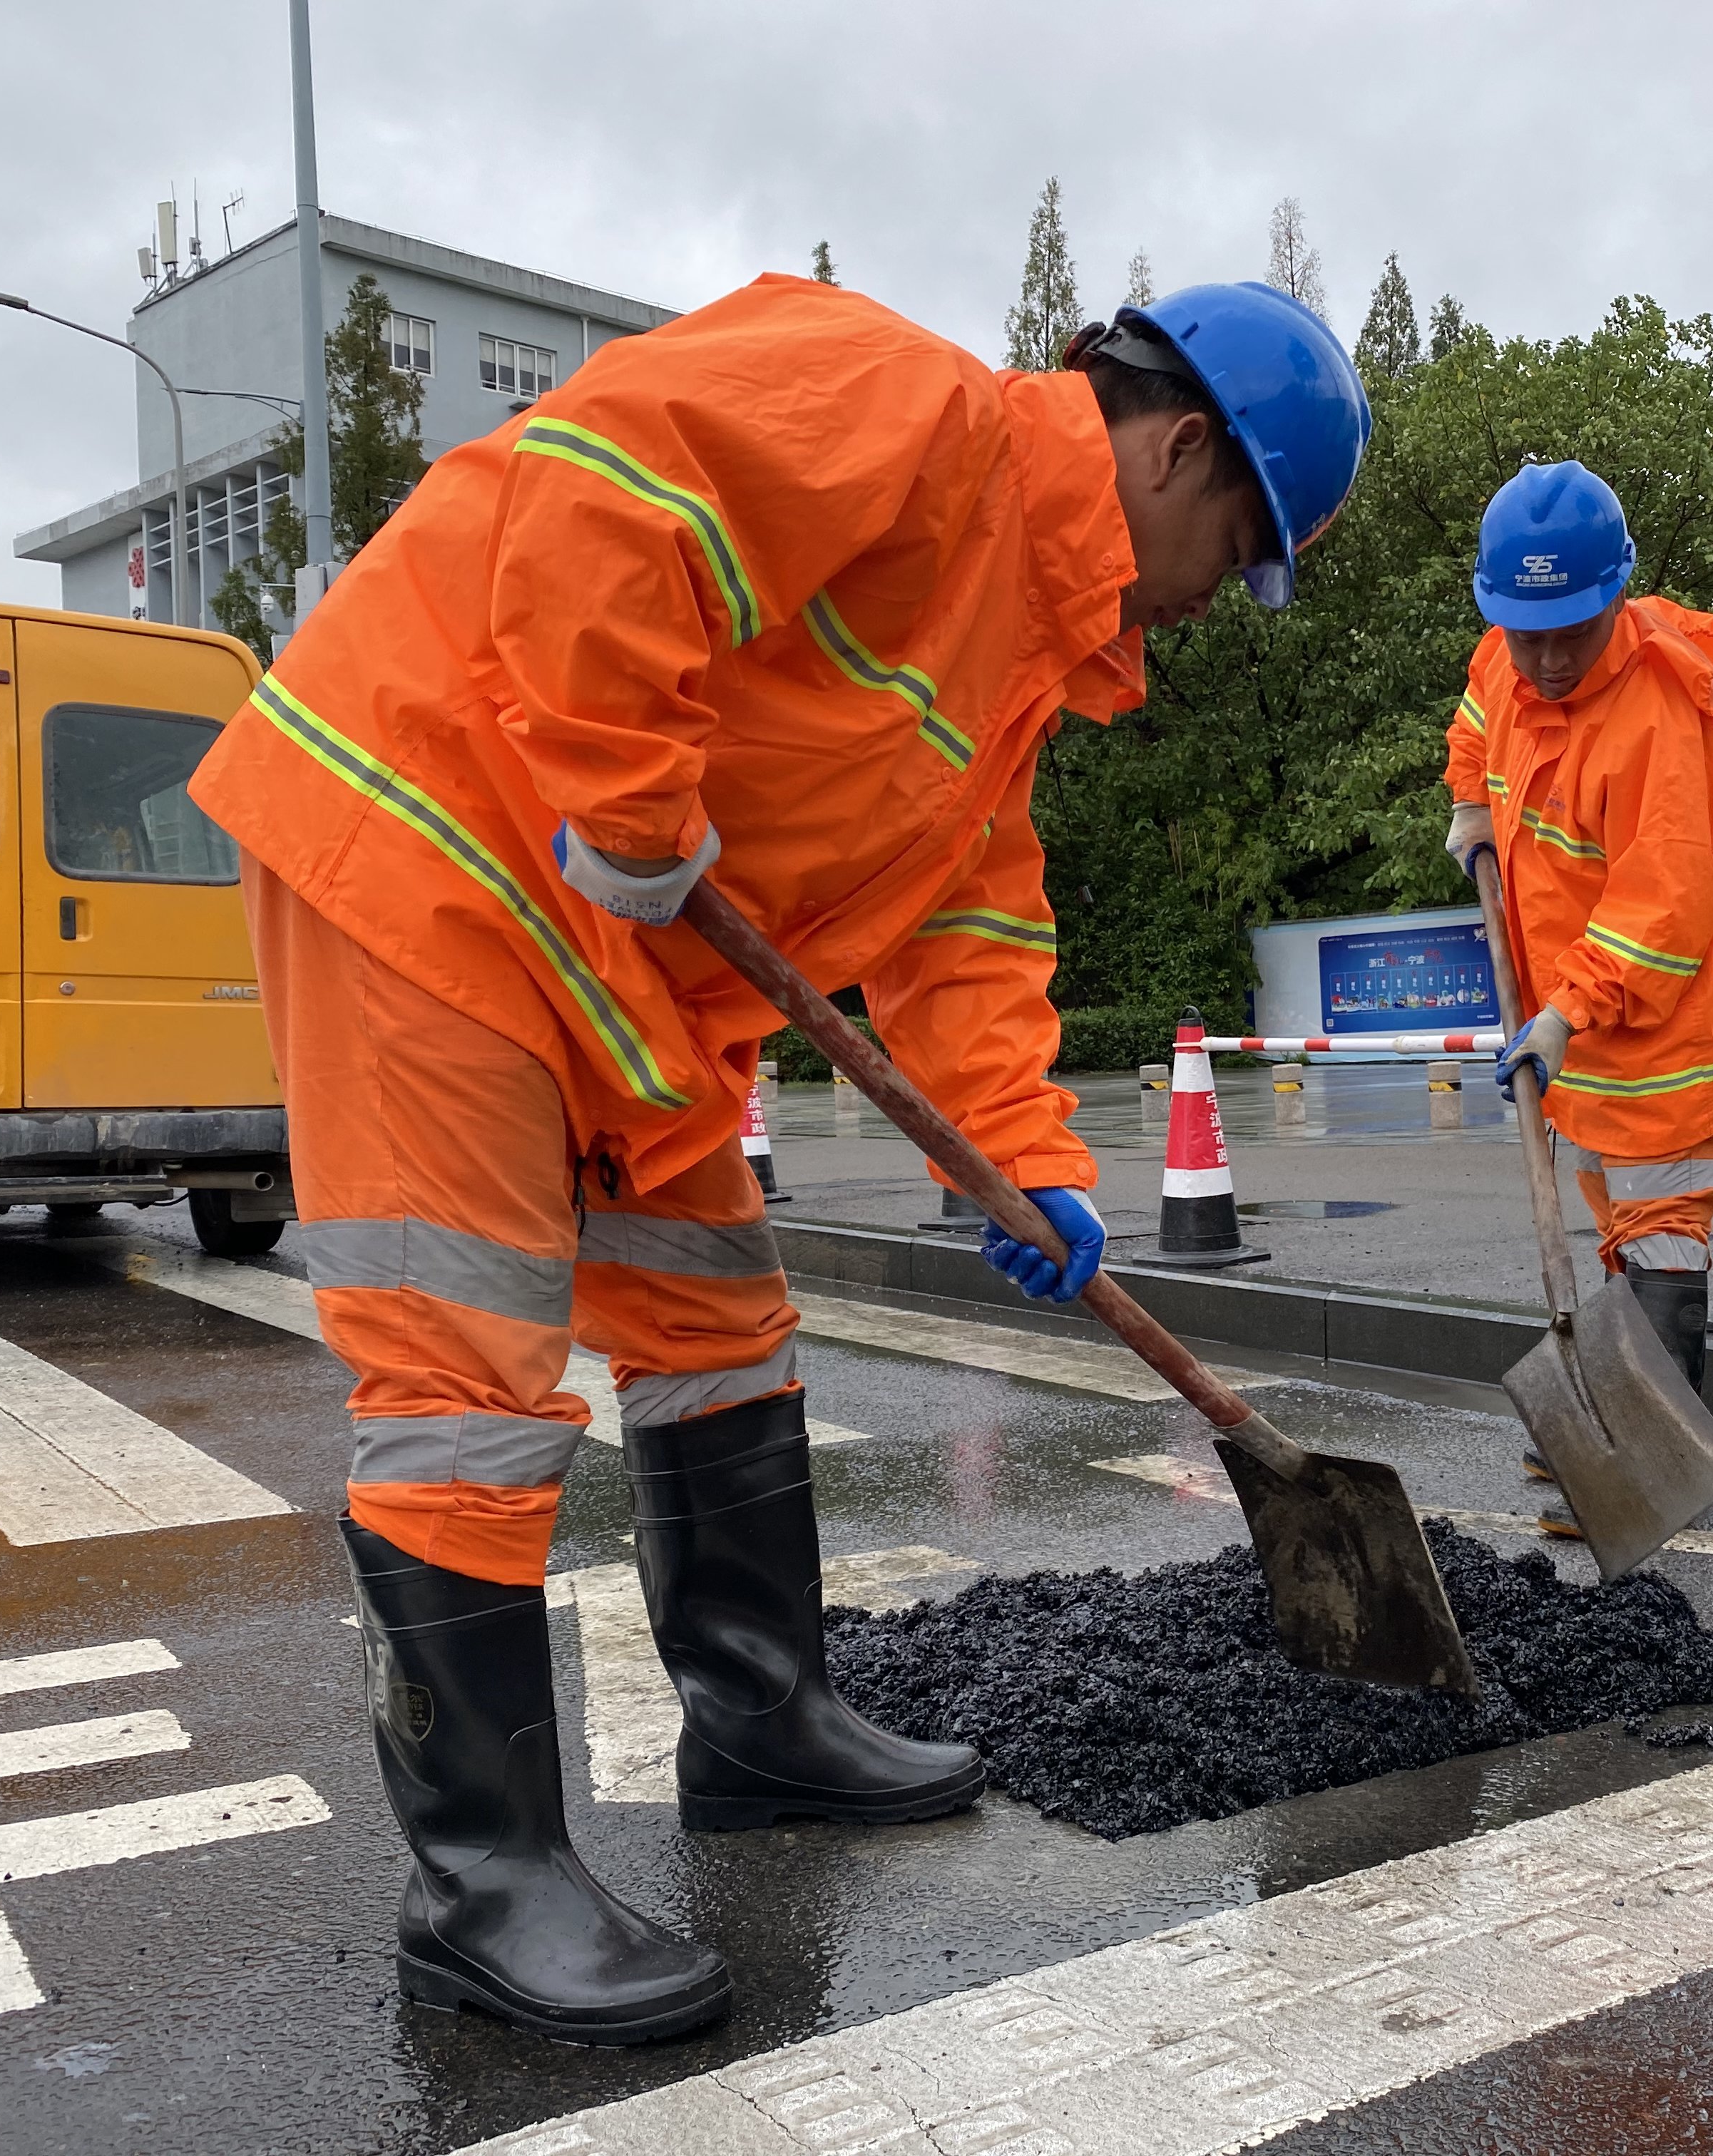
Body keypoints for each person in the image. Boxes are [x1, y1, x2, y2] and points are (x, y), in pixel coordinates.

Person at [191, 272, 1370, 2044]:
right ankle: (484, 1886)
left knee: (718, 1319)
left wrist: (1027, 1157)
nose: (1219, 599)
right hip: (435, 846)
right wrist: (635, 798)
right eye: (1243, 545)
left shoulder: (1025, 655)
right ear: (1183, 447)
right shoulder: (906, 407)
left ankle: (758, 1722)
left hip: (628, 966)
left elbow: (970, 922)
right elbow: (608, 498)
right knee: (467, 1388)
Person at [1438, 461, 1713, 1532]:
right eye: (1525, 632)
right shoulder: (1509, 657)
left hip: (1673, 1024)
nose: (1546, 659)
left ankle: (1648, 1468)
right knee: (1611, 1224)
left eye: (1572, 632)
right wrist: (1471, 803)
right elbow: (1476, 718)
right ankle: (1605, 1426)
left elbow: (1663, 904)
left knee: (1661, 1234)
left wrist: (1564, 1012)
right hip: (1580, 1022)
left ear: (1615, 599)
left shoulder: (1666, 722)